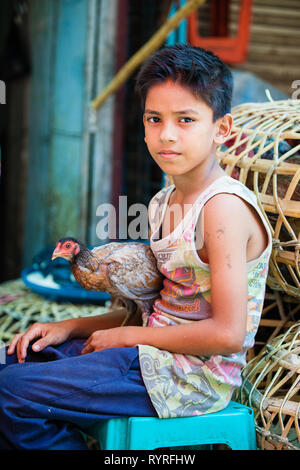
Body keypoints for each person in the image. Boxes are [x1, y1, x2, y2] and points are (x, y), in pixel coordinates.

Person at [0, 43, 272, 450]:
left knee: (8, 393)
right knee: (12, 362)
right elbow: (151, 310)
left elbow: (230, 334)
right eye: (154, 118)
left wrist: (130, 338)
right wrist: (67, 328)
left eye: (185, 120)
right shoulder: (164, 201)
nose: (166, 134)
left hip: (187, 378)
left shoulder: (223, 209)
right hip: (146, 353)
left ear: (222, 129)